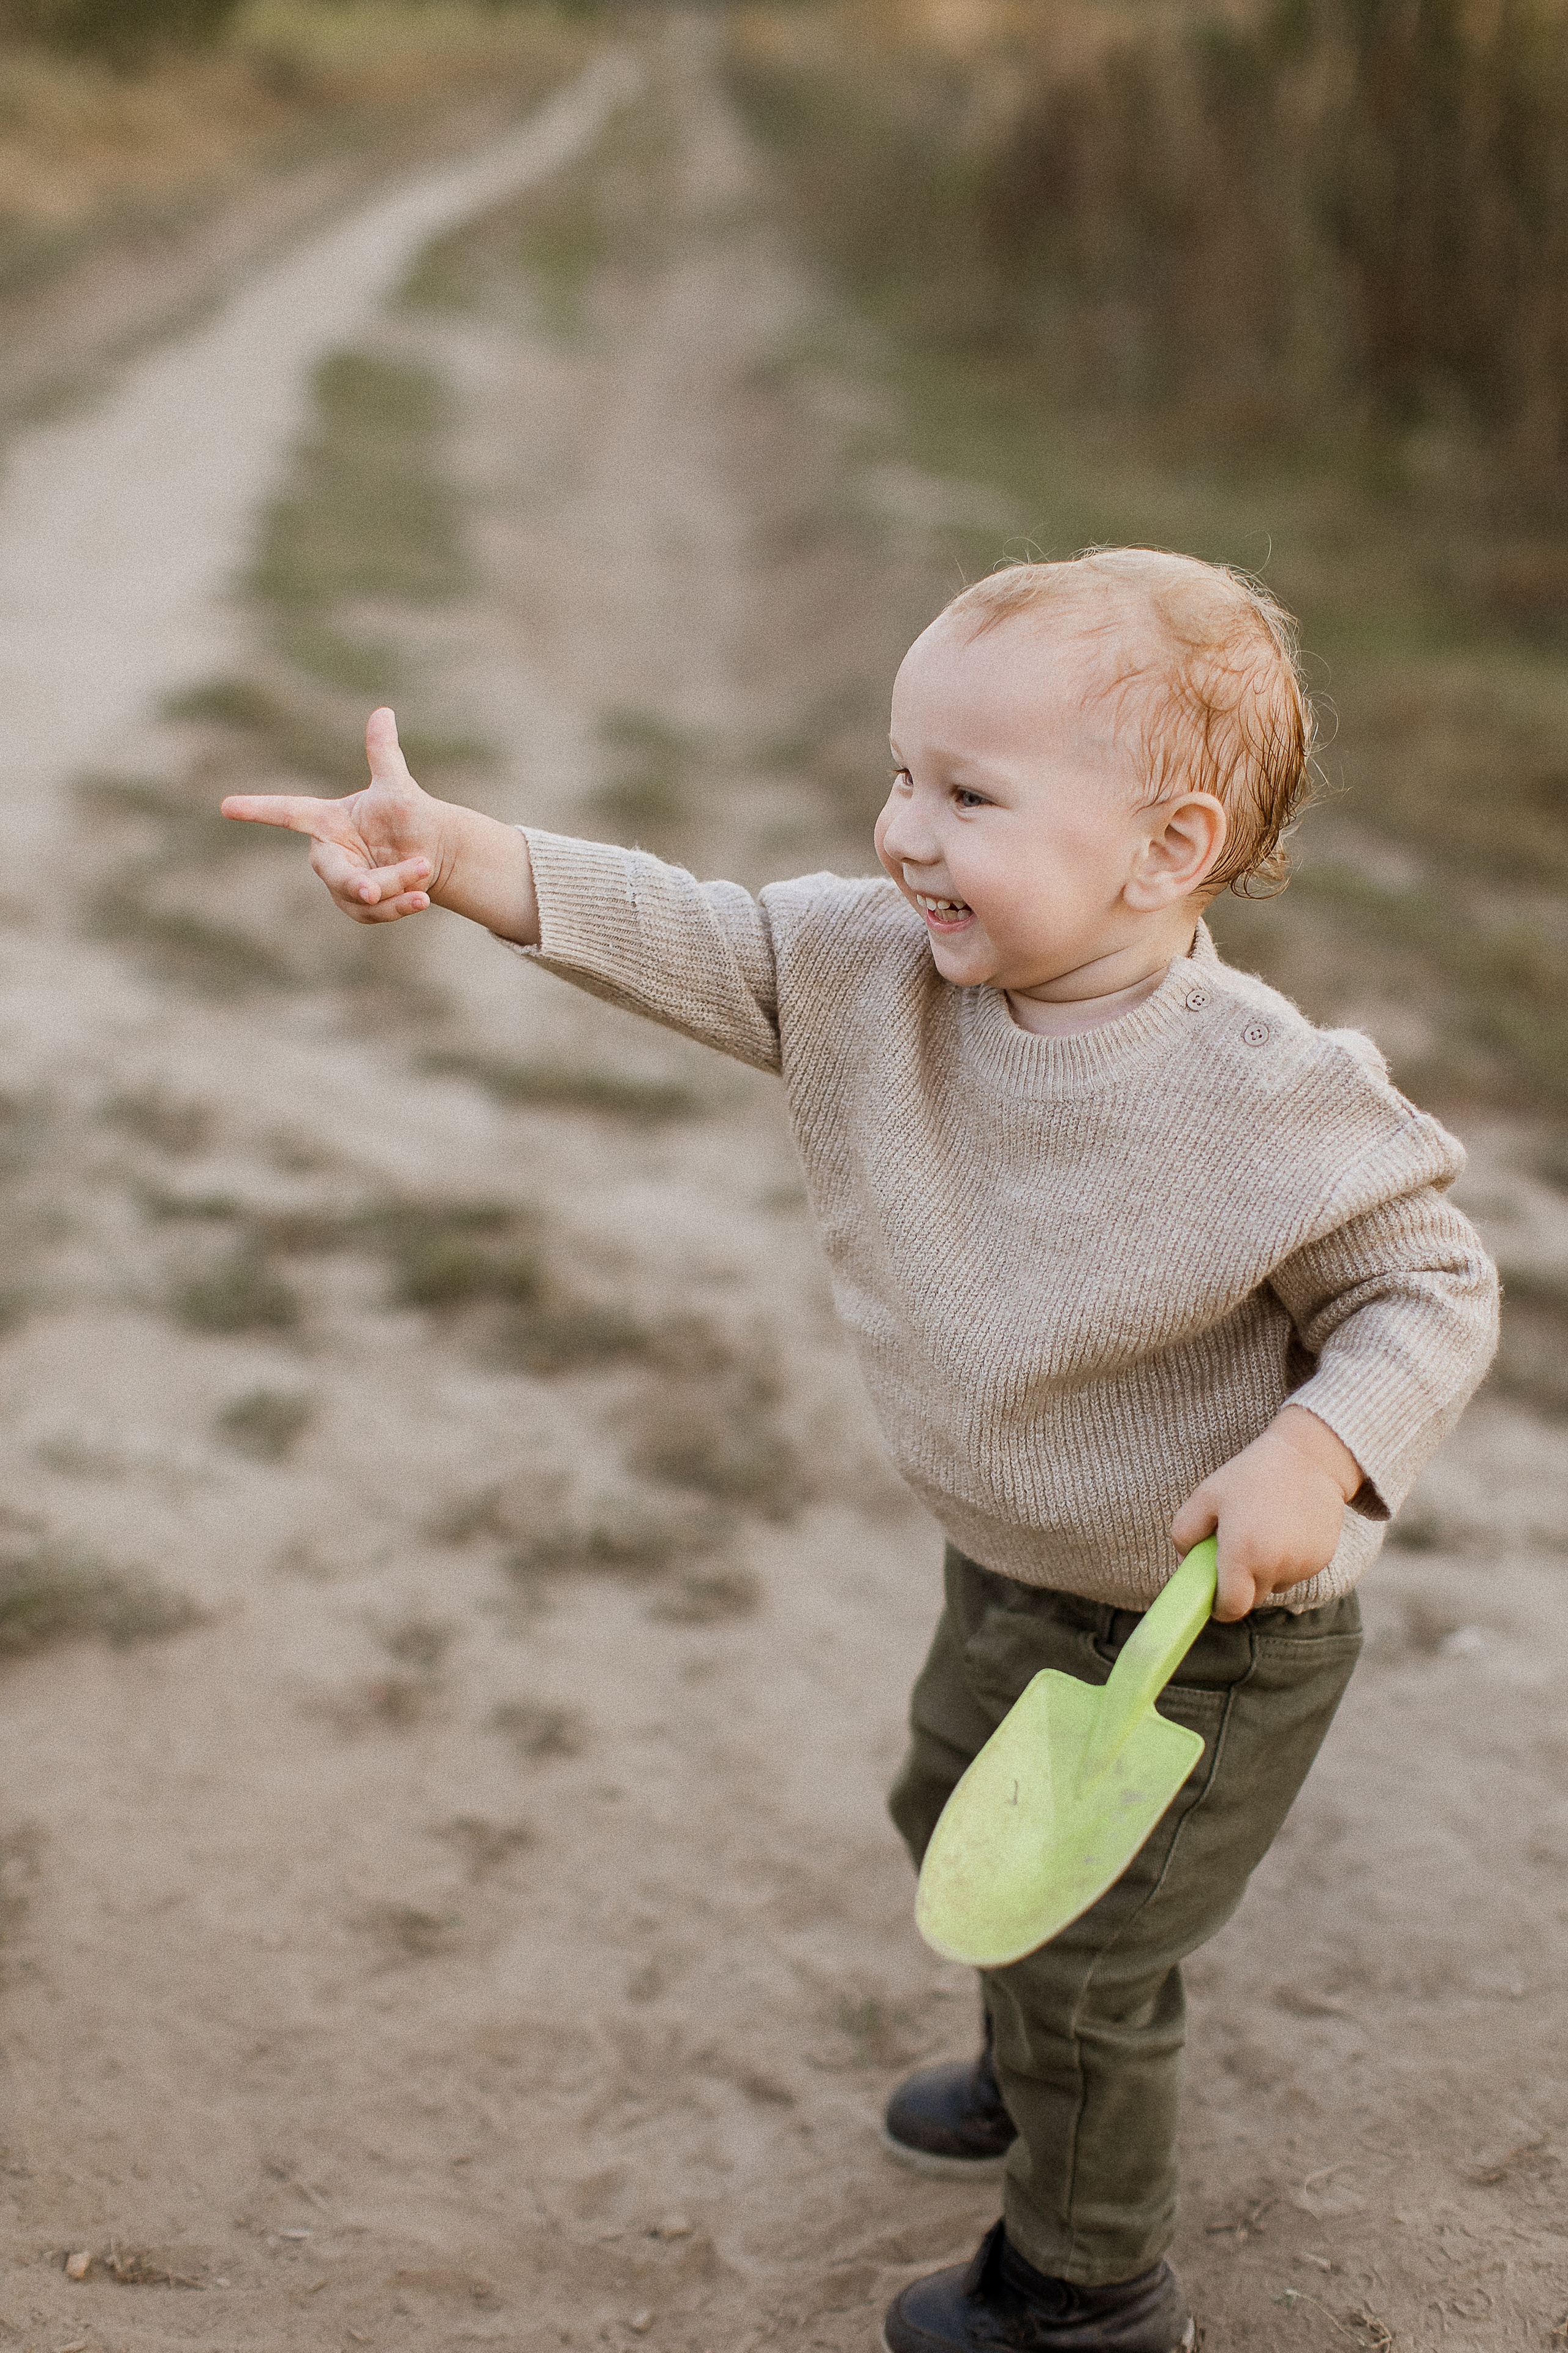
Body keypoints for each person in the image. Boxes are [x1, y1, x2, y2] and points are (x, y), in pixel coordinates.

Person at [224, 548, 1498, 2353]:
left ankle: (1087, 2288)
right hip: (1015, 1568)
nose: (904, 832)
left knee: (1094, 1960)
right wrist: (460, 855)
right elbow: (692, 925)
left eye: (968, 796)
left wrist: (1325, 1449)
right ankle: (1025, 2058)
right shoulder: (869, 974)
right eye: (902, 774)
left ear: (1167, 850)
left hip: (1198, 1637)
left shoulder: (1266, 1090)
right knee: (944, 1803)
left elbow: (1432, 1286)